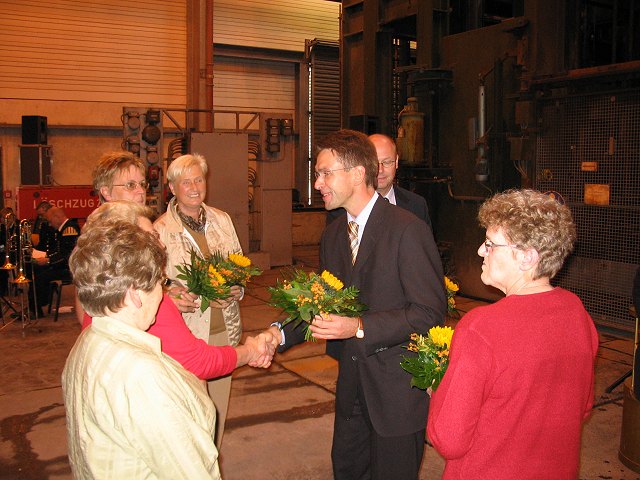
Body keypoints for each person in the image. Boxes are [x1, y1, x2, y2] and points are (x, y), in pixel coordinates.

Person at [270, 129, 446, 479]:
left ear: (357, 173)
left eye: (325, 173)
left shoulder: (406, 230)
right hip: (351, 388)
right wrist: (277, 334)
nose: (317, 183)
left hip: (396, 394)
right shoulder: (334, 234)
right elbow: (321, 299)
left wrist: (360, 327)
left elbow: (429, 312)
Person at [427, 189, 599, 479]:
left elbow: (449, 439)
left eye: (491, 244)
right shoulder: (576, 313)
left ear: (526, 257)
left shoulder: (481, 327)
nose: (481, 251)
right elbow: (581, 408)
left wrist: (439, 391)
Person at [62, 221, 221, 479]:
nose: (162, 294)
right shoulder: (141, 375)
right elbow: (190, 471)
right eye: (160, 282)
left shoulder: (87, 344)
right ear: (135, 294)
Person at [81, 201, 275, 375]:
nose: (162, 245)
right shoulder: (145, 300)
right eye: (153, 236)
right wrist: (251, 351)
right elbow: (200, 361)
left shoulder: (98, 295)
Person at [154, 153, 247, 447]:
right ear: (172, 188)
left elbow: (240, 264)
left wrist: (238, 287)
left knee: (218, 412)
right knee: (190, 415)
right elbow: (152, 285)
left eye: (199, 179)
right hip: (187, 335)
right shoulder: (159, 231)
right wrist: (168, 294)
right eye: (186, 182)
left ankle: (212, 462)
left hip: (224, 330)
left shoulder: (222, 220)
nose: (194, 187)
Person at [327, 133, 431, 228]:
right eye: (374, 163)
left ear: (397, 162)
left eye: (386, 162)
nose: (380, 170)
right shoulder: (340, 210)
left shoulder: (417, 205)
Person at [29, 206, 80, 317]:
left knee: (41, 275)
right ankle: (35, 306)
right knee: (34, 269)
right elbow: (58, 251)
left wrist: (48, 261)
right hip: (63, 265)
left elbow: (67, 255)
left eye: (49, 221)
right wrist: (46, 257)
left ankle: (36, 307)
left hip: (69, 269)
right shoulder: (63, 229)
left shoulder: (69, 229)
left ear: (57, 217)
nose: (50, 224)